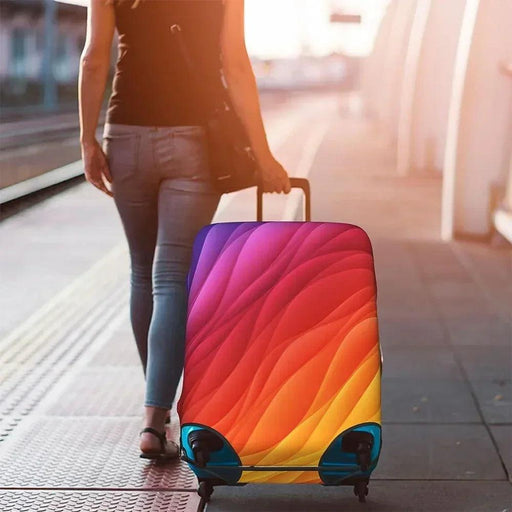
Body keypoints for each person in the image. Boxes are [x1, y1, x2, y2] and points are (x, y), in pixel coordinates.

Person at [78, 0, 291, 460]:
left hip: (126, 136)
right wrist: (264, 154)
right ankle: (156, 414)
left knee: (142, 273)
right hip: (194, 141)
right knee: (172, 276)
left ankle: (155, 417)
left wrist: (86, 139)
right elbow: (236, 65)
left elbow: (96, 56)